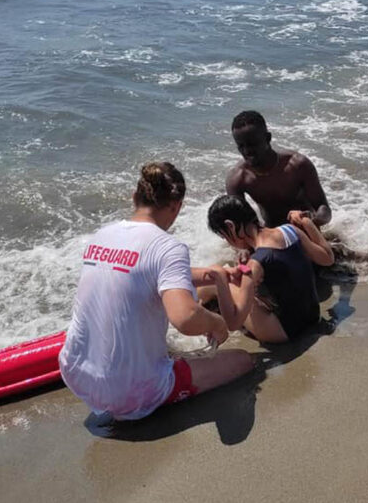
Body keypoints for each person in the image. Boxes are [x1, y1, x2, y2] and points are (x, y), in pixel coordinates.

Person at [58, 162, 253, 421]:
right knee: (243, 361)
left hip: (76, 373)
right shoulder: (167, 247)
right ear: (176, 206)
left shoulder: (102, 235)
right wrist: (217, 324)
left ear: (134, 197)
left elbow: (138, 272)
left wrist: (211, 274)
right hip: (132, 391)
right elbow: (185, 318)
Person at [207, 195, 333, 343]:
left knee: (214, 278)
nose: (228, 242)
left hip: (283, 332)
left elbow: (234, 323)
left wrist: (224, 281)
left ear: (231, 226)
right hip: (312, 317)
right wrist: (306, 222)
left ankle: (203, 327)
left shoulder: (255, 263)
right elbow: (328, 258)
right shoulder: (290, 230)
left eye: (224, 236)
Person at [226, 110, 331, 228]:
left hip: (308, 230)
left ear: (267, 138)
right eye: (241, 146)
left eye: (252, 144)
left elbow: (325, 210)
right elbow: (241, 224)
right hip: (271, 234)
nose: (246, 151)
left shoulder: (297, 165)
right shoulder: (238, 179)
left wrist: (313, 221)